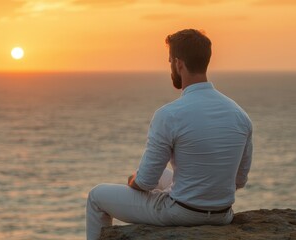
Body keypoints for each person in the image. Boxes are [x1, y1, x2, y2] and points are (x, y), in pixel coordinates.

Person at [85, 29, 253, 240]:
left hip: (181, 212)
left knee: (97, 195)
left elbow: (145, 182)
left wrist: (134, 183)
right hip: (222, 214)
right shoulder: (240, 115)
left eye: (169, 62)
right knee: (159, 176)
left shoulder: (170, 114)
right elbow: (238, 181)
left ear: (178, 63)